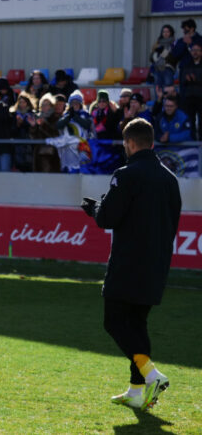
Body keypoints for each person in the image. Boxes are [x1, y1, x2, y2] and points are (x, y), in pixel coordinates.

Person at [80, 118, 180, 412]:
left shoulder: (126, 174)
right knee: (136, 324)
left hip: (128, 263)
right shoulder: (170, 178)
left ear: (129, 143)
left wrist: (94, 208)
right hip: (158, 264)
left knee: (113, 322)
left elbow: (107, 217)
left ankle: (150, 374)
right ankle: (137, 391)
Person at [30, 94, 62, 172]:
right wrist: (33, 126)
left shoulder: (56, 118)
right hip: (39, 153)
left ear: (51, 106)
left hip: (52, 154)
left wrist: (44, 125)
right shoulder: (37, 117)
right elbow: (33, 137)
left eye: (46, 105)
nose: (44, 107)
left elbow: (55, 134)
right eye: (42, 105)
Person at [179, 42, 202, 140]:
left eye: (197, 50)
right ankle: (192, 142)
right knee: (190, 121)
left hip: (200, 97)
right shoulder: (186, 64)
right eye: (193, 50)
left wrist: (196, 79)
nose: (195, 52)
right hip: (189, 97)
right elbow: (181, 80)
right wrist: (186, 79)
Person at [151, 25, 176, 95]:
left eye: (167, 31)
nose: (165, 33)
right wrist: (155, 52)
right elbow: (151, 58)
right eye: (164, 31)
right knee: (158, 90)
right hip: (157, 69)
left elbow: (174, 57)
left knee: (168, 91)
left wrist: (163, 52)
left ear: (171, 32)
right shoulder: (157, 43)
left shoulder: (174, 43)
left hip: (168, 68)